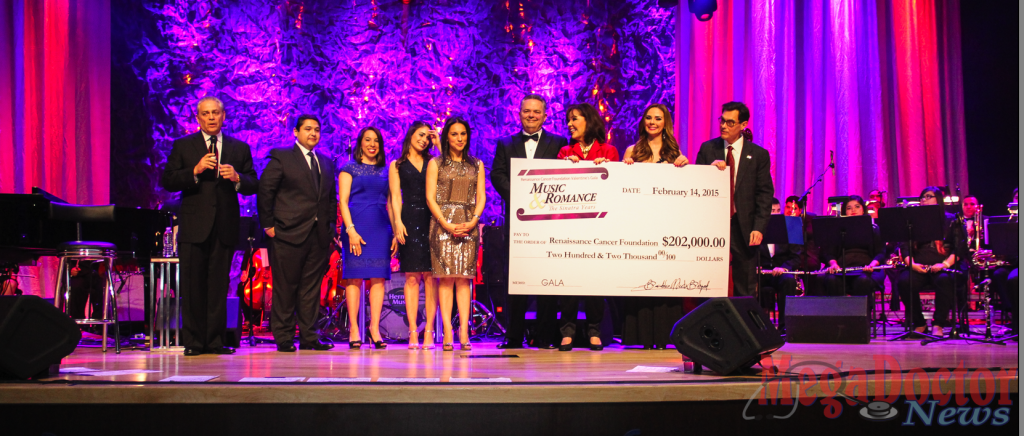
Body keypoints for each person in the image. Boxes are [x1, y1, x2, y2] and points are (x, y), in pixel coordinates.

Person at [160, 96, 258, 356]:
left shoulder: (239, 148)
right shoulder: (183, 146)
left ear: (224, 116)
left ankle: (215, 341)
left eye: (216, 113)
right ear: (198, 118)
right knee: (192, 286)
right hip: (194, 225)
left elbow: (253, 182)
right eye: (206, 114)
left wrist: (237, 178)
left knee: (218, 284)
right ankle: (193, 342)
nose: (212, 117)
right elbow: (168, 180)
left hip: (225, 224)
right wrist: (194, 170)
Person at [490, 94, 566, 349]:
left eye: (536, 112)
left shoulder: (559, 142)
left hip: (549, 221)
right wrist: (520, 197)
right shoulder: (505, 143)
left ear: (545, 115)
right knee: (516, 278)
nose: (531, 115)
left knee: (547, 277)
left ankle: (545, 337)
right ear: (519, 113)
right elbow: (497, 174)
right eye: (526, 111)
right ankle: (513, 336)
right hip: (517, 219)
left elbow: (566, 176)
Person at [258, 115, 338, 352]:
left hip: (318, 236)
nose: (313, 133)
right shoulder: (281, 156)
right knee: (285, 287)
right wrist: (268, 225)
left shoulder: (324, 162)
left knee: (311, 289)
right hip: (287, 233)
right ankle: (283, 336)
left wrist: (331, 226)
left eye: (317, 129)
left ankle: (309, 337)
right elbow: (265, 191)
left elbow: (329, 198)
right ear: (295, 132)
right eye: (307, 129)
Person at [553, 103, 618, 351]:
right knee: (568, 281)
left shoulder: (609, 151)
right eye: (568, 119)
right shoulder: (564, 152)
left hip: (598, 227)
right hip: (570, 226)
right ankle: (567, 330)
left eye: (575, 119)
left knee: (594, 282)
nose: (569, 123)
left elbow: (615, 188)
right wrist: (565, 168)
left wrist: (607, 168)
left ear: (588, 121)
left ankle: (594, 330)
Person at [621, 103, 685, 349]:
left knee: (664, 281)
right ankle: (642, 338)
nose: (652, 122)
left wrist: (684, 165)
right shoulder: (632, 150)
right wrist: (624, 167)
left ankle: (663, 337)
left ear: (664, 122)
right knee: (641, 280)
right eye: (648, 117)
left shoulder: (674, 151)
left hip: (665, 225)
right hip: (637, 225)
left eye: (658, 118)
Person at [694, 101, 774, 297]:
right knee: (708, 280)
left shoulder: (758, 155)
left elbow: (764, 194)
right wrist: (709, 173)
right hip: (712, 226)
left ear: (743, 125)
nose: (723, 126)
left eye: (730, 122)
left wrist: (758, 227)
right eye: (722, 120)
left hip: (744, 225)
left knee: (745, 284)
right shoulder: (708, 149)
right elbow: (695, 185)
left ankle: (744, 325)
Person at [426, 116, 486, 351]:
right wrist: (445, 223)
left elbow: (481, 196)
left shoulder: (477, 164)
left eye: (463, 134)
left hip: (468, 223)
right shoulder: (436, 163)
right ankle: (447, 332)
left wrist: (473, 221)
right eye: (454, 134)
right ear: (446, 137)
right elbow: (430, 197)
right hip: (442, 225)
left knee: (464, 279)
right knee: (446, 278)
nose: (460, 138)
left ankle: (464, 330)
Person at [340, 127, 396, 349]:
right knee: (354, 278)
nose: (372, 144)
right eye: (368, 140)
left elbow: (392, 203)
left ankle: (374, 329)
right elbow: (343, 201)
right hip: (356, 225)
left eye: (376, 141)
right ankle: (354, 329)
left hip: (380, 227)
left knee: (378, 279)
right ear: (360, 143)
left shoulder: (387, 170)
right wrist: (351, 230)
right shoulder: (348, 168)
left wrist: (394, 231)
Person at [389, 121, 440, 349]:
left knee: (430, 277)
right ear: (410, 134)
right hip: (408, 220)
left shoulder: (433, 161)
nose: (423, 140)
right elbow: (394, 197)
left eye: (427, 137)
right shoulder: (397, 164)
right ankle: (412, 332)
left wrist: (439, 145)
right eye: (420, 135)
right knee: (411, 277)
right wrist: (397, 223)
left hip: (432, 220)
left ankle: (428, 330)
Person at [897, 186, 967, 336]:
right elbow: (905, 247)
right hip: (919, 267)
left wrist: (944, 264)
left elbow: (960, 247)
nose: (924, 199)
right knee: (904, 281)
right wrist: (913, 265)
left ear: (938, 200)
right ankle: (920, 323)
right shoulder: (912, 221)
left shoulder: (952, 219)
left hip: (944, 266)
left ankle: (938, 324)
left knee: (945, 280)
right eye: (922, 197)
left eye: (929, 196)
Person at [821, 196, 886, 310]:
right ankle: (840, 319)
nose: (853, 210)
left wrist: (872, 265)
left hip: (868, 270)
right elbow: (829, 253)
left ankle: (861, 320)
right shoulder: (837, 230)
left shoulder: (874, 229)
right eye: (849, 208)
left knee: (862, 281)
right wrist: (833, 264)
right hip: (842, 270)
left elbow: (880, 253)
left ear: (863, 209)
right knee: (831, 280)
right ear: (844, 211)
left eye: (857, 207)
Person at [758, 198, 800, 333]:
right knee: (750, 282)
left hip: (780, 271)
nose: (775, 215)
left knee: (788, 280)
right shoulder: (756, 228)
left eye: (777, 211)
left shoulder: (790, 228)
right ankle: (757, 327)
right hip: (761, 271)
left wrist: (784, 267)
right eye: (771, 211)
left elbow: (796, 256)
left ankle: (785, 326)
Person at [783, 196, 824, 295]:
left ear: (800, 210)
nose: (790, 211)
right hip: (788, 255)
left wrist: (793, 223)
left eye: (794, 208)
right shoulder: (780, 221)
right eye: (788, 207)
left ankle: (810, 297)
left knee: (809, 265)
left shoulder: (808, 221)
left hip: (806, 255)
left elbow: (805, 235)